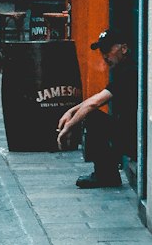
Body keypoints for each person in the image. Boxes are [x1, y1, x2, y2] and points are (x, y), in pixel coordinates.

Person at [56, 26, 136, 188]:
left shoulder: (129, 71)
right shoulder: (122, 69)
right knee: (92, 115)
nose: (104, 55)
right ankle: (107, 172)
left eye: (108, 49)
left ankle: (105, 175)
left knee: (92, 117)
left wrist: (69, 127)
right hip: (129, 132)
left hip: (134, 138)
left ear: (124, 48)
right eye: (102, 50)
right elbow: (98, 97)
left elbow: (95, 103)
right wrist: (71, 111)